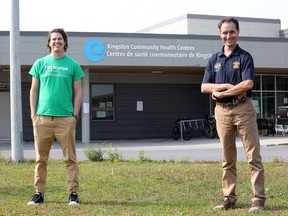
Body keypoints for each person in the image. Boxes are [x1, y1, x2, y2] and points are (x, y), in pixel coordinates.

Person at [201, 17, 266, 213]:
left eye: (232, 32)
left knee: (253, 157)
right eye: (225, 32)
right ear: (220, 34)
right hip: (222, 112)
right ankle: (229, 198)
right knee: (227, 159)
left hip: (243, 109)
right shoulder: (214, 59)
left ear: (238, 32)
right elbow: (204, 86)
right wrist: (226, 87)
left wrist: (224, 92)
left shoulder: (245, 57)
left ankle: (258, 199)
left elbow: (248, 85)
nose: (228, 36)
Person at [27, 28, 85, 206]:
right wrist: (33, 114)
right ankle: (39, 194)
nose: (56, 42)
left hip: (65, 119)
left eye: (60, 39)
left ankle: (73, 194)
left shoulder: (73, 65)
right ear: (49, 43)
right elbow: (34, 90)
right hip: (42, 118)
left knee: (70, 159)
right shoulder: (40, 63)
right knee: (40, 159)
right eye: (53, 39)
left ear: (65, 42)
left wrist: (75, 115)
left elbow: (78, 92)